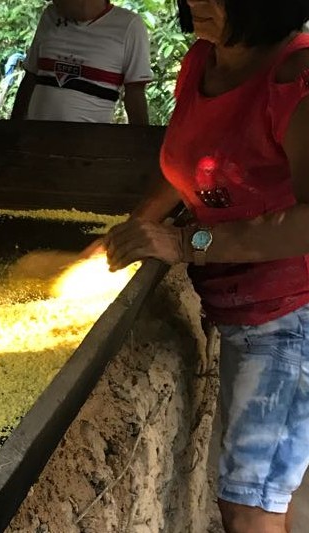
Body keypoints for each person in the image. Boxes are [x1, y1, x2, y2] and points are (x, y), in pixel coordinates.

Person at [101, 0, 309, 531]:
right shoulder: (203, 60)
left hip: (288, 316)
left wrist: (184, 242)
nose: (196, 1)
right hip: (241, 307)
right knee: (248, 493)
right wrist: (126, 233)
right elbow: (187, 164)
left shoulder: (295, 75)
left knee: (250, 506)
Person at [11, 0, 153, 125]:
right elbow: (30, 77)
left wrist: (143, 144)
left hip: (90, 146)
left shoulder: (129, 26)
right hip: (35, 139)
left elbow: (135, 94)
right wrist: (13, 131)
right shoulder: (50, 15)